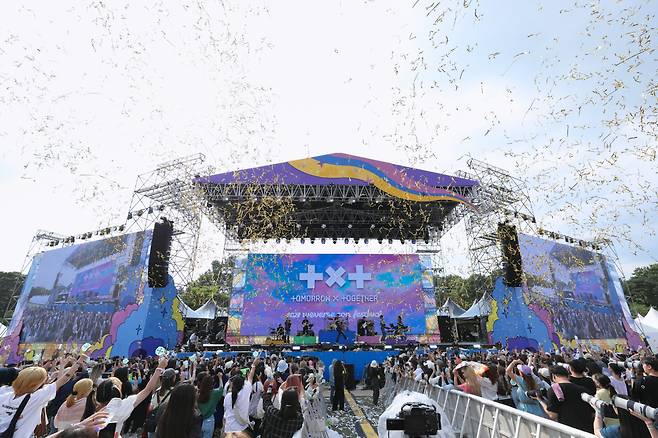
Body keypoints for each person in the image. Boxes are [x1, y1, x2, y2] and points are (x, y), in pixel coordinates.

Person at [0, 355, 86, 438]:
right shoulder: (36, 398)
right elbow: (64, 379)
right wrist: (80, 359)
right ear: (36, 384)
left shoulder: (4, 393)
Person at [84, 356, 168, 438]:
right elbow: (147, 390)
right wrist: (159, 368)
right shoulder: (121, 407)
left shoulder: (89, 404)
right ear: (117, 394)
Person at [536, 365, 594, 433]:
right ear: (568, 375)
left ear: (553, 376)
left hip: (568, 431)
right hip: (587, 430)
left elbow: (552, 415)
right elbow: (592, 413)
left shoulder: (553, 390)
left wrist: (540, 400)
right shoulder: (584, 389)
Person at [224, 360, 257, 435]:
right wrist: (253, 365)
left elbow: (226, 410)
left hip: (229, 429)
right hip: (241, 430)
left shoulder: (228, 396)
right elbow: (250, 378)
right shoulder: (245, 392)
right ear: (243, 385)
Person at [145, 368, 177, 438]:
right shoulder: (175, 393)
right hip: (166, 424)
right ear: (173, 379)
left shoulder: (157, 391)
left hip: (153, 423)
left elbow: (151, 407)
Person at [197, 373, 222, 438]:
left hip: (198, 421)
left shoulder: (197, 393)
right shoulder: (214, 394)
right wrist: (220, 378)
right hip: (209, 420)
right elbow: (221, 388)